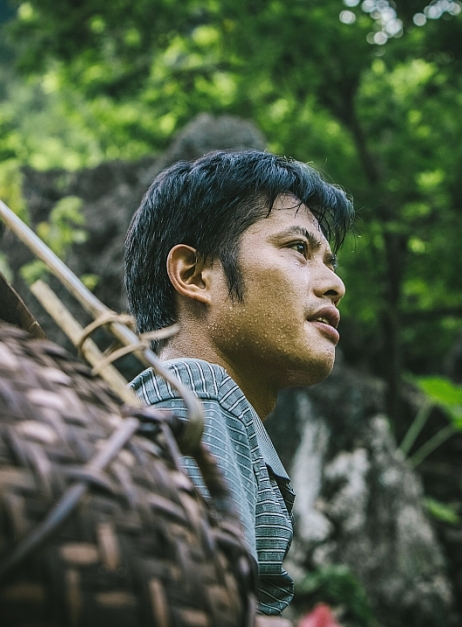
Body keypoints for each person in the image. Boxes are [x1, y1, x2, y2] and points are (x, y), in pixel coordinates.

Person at [125, 150, 353, 622]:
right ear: (194, 275)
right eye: (298, 248)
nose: (334, 283)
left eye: (329, 261)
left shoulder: (200, 407)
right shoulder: (194, 398)